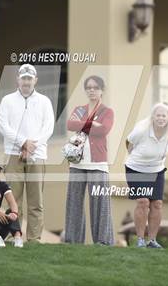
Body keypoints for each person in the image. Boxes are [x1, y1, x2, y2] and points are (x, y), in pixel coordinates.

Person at [0, 64, 54, 242]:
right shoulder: (7, 100)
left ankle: (34, 239)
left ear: (35, 80)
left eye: (30, 78)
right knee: (13, 198)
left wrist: (32, 146)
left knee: (36, 201)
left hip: (37, 155)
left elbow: (48, 127)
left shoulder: (44, 101)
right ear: (18, 80)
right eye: (23, 78)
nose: (26, 81)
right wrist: (23, 142)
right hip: (13, 154)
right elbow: (3, 126)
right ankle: (12, 234)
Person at [64, 75, 114, 245]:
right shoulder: (79, 108)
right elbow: (70, 124)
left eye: (95, 87)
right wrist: (93, 124)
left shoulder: (107, 111)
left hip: (98, 164)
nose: (92, 90)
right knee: (74, 203)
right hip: (77, 162)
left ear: (102, 90)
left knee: (100, 204)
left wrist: (84, 124)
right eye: (89, 87)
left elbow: (104, 129)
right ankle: (73, 241)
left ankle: (103, 241)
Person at [125, 103, 168, 248]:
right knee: (143, 201)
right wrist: (137, 157)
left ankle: (152, 240)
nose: (161, 118)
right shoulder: (142, 129)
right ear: (153, 117)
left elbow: (167, 148)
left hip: (157, 170)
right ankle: (140, 240)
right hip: (136, 169)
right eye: (158, 115)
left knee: (157, 204)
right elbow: (129, 142)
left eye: (164, 115)